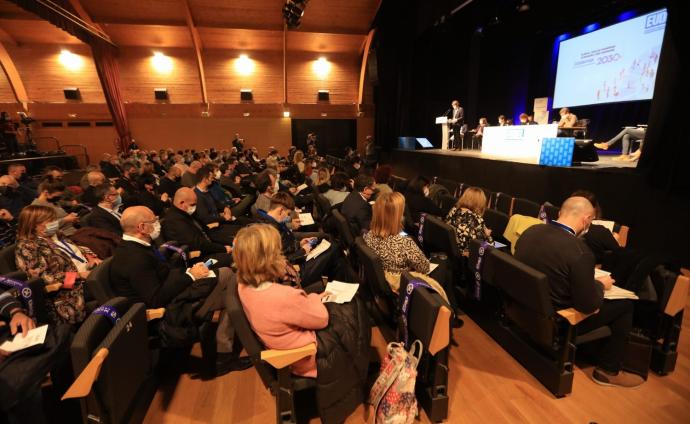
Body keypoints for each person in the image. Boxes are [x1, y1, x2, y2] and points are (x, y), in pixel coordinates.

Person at [235, 223, 369, 423]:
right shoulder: (283, 296)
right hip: (304, 356)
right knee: (355, 310)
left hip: (284, 340)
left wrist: (310, 299)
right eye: (277, 253)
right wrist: (315, 299)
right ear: (267, 259)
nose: (281, 256)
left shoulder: (243, 285)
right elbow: (321, 318)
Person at [514, 196, 644, 388]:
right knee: (625, 305)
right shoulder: (580, 251)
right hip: (556, 324)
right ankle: (608, 371)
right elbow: (588, 305)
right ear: (586, 220)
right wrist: (601, 286)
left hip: (523, 312)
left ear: (560, 213)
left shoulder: (530, 231)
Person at [110, 206, 251, 376]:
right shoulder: (134, 258)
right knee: (232, 289)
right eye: (153, 221)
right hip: (168, 313)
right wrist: (190, 276)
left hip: (176, 297)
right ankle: (226, 355)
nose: (158, 223)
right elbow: (155, 299)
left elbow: (165, 275)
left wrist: (190, 271)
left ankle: (224, 355)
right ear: (141, 227)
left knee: (229, 280)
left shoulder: (139, 246)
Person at [15, 205, 95, 324]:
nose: (55, 223)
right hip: (68, 290)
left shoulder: (56, 235)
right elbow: (44, 279)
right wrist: (79, 275)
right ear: (34, 225)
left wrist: (90, 258)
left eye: (54, 219)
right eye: (50, 221)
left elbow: (75, 250)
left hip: (87, 273)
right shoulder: (27, 247)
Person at [256, 192, 351, 287]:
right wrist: (302, 251)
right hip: (294, 272)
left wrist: (300, 244)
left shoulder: (269, 222)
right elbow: (280, 261)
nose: (288, 217)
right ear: (281, 210)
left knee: (337, 260)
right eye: (288, 214)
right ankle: (342, 290)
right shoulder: (271, 230)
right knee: (334, 249)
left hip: (295, 261)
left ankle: (339, 290)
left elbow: (285, 248)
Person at [162, 188, 233, 267]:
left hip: (209, 247)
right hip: (199, 259)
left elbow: (206, 231)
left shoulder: (186, 213)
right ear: (181, 203)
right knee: (234, 257)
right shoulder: (173, 220)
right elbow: (198, 244)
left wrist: (229, 242)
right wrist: (223, 249)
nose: (194, 207)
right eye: (192, 204)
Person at [444, 187, 493, 254]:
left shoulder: (454, 210)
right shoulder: (477, 219)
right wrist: (488, 236)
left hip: (449, 250)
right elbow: (484, 248)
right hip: (466, 256)